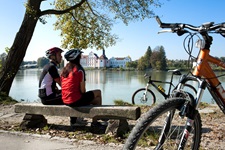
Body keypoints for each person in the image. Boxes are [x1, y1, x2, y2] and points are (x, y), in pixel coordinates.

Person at [61, 48, 103, 127]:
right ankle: (95, 122)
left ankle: (75, 121)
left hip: (65, 100)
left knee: (96, 99)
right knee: (98, 92)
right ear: (77, 58)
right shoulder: (79, 70)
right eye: (80, 56)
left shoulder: (64, 70)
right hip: (75, 100)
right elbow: (83, 90)